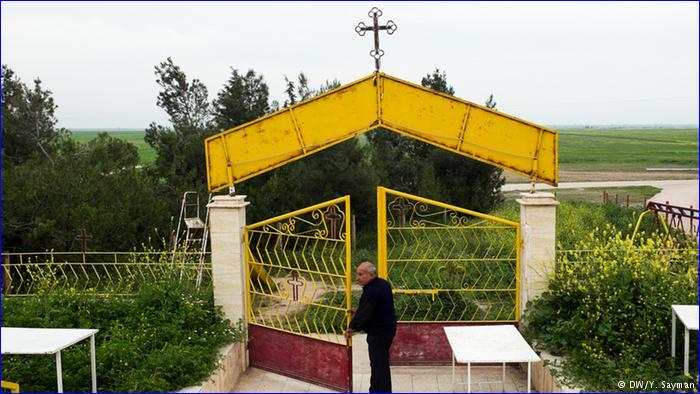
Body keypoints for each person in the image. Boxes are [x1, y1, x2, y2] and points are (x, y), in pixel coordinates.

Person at [345, 261, 397, 393]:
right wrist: (358, 309)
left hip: (379, 332)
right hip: (387, 329)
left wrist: (351, 328)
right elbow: (376, 307)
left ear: (371, 275)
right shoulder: (383, 284)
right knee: (379, 363)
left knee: (379, 365)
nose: (357, 278)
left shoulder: (372, 290)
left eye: (360, 274)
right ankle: (375, 389)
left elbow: (365, 312)